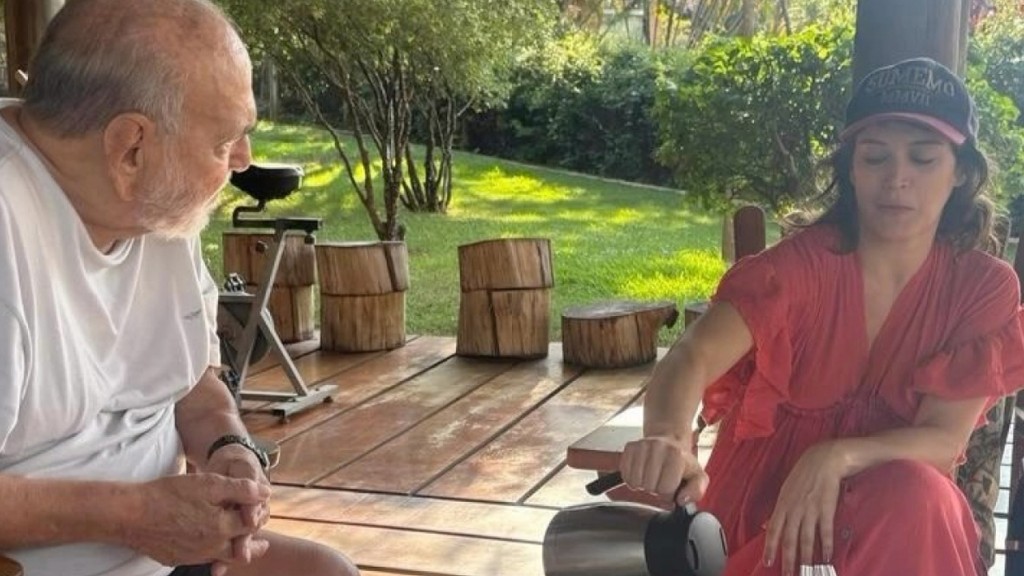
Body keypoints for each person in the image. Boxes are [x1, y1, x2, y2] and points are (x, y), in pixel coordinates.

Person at [620, 57, 1024, 576]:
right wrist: (669, 436)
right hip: (771, 518)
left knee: (918, 493)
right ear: (851, 169)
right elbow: (693, 354)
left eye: (923, 158)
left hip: (896, 523)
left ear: (960, 172)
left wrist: (835, 455)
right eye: (874, 157)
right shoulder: (802, 267)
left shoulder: (981, 287)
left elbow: (943, 440)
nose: (897, 179)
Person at [0, 1, 360, 575]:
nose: (242, 161)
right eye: (224, 142)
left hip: (160, 553)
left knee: (324, 571)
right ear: (132, 149)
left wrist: (229, 448)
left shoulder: (153, 204)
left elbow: (192, 384)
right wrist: (132, 517)